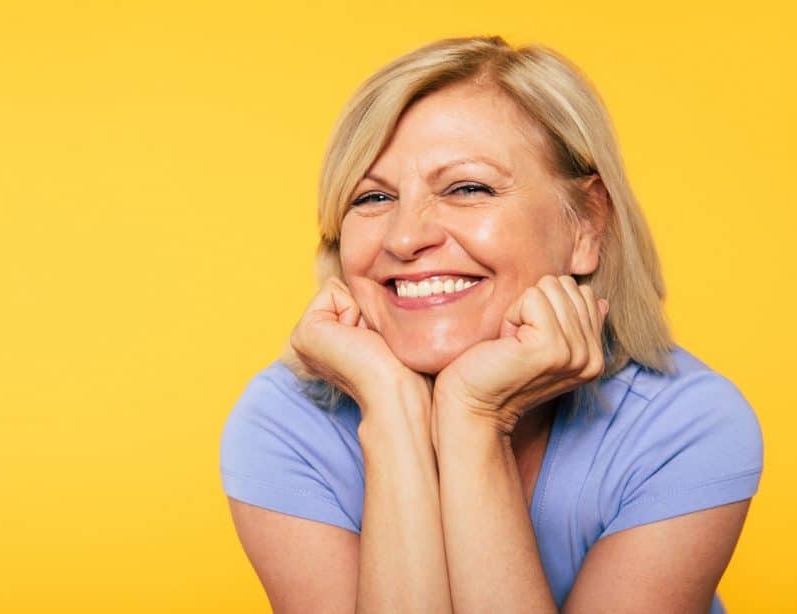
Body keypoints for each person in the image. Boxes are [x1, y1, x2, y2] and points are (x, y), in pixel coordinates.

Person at [219, 35, 763, 613]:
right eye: (373, 198)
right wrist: (393, 416)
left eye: (468, 188)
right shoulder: (285, 426)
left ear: (587, 225)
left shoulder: (685, 429)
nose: (405, 238)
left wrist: (476, 420)